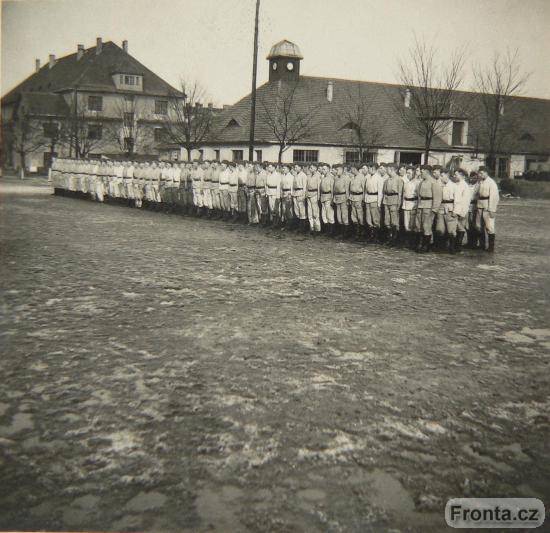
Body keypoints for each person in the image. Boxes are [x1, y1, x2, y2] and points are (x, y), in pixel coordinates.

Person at [415, 165, 443, 253]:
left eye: (422, 172)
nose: (420, 174)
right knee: (419, 226)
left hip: (429, 207)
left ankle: (426, 246)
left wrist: (434, 210)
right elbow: (419, 196)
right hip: (421, 206)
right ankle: (420, 244)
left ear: (427, 172)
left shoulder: (434, 182)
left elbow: (438, 197)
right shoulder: (421, 182)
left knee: (426, 226)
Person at [475, 166, 499, 252]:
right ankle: (482, 245)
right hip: (479, 205)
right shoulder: (479, 182)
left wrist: (492, 209)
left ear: (486, 173)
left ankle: (491, 247)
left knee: (489, 227)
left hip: (487, 206)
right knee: (479, 226)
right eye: (479, 173)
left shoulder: (491, 183)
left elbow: (494, 197)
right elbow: (476, 193)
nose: (480, 175)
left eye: (482, 173)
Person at [434, 168, 458, 253]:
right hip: (441, 208)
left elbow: (457, 200)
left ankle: (452, 247)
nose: (440, 178)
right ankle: (441, 247)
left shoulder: (454, 186)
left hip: (450, 208)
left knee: (451, 229)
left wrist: (455, 211)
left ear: (447, 175)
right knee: (440, 229)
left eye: (442, 176)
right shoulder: (439, 185)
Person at [382, 164, 404, 246]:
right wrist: (384, 201)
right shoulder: (387, 180)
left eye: (387, 169)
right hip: (387, 201)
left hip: (394, 201)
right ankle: (389, 237)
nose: (386, 171)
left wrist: (399, 203)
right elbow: (384, 192)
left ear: (392, 170)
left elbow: (400, 193)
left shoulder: (399, 180)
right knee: (387, 221)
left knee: (394, 221)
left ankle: (394, 239)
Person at [451, 168, 472, 253]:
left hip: (461, 211)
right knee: (456, 228)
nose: (454, 176)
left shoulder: (464, 186)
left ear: (462, 175)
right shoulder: (456, 184)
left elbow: (465, 201)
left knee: (460, 228)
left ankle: (458, 247)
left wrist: (461, 212)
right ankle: (455, 246)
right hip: (455, 209)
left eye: (456, 175)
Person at [364, 163, 384, 242]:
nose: (368, 170)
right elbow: (366, 190)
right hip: (368, 199)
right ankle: (371, 235)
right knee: (368, 218)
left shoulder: (379, 178)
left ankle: (376, 236)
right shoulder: (368, 177)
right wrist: (365, 199)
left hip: (375, 200)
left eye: (369, 168)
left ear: (373, 168)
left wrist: (379, 203)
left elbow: (380, 192)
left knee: (375, 218)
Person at [402, 165, 420, 247]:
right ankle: (407, 242)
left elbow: (419, 196)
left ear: (413, 173)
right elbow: (404, 195)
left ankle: (413, 242)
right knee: (406, 225)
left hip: (413, 204)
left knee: (412, 224)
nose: (408, 175)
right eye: (407, 173)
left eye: (409, 173)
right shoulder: (406, 183)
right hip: (406, 205)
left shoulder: (418, 183)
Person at [349, 164, 367, 239]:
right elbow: (350, 188)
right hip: (353, 197)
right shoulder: (353, 177)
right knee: (354, 216)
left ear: (355, 169)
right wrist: (350, 198)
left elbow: (364, 189)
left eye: (352, 169)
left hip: (359, 197)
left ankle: (362, 233)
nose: (351, 170)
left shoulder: (362, 177)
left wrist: (363, 199)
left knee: (360, 215)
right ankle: (356, 232)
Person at [306, 163, 322, 234]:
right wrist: (306, 194)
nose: (310, 169)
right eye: (310, 168)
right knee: (310, 212)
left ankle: (317, 229)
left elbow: (319, 187)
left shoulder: (318, 176)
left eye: (311, 168)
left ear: (315, 168)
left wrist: (318, 197)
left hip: (315, 194)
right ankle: (311, 227)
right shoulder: (309, 176)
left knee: (315, 212)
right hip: (309, 194)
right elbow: (307, 186)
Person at [292, 163, 308, 232]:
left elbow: (305, 186)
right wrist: (293, 193)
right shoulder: (295, 175)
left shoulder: (303, 175)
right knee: (297, 210)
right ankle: (299, 226)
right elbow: (293, 185)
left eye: (296, 167)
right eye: (294, 167)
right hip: (295, 193)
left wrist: (303, 195)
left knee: (302, 210)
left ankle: (303, 227)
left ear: (300, 167)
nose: (295, 168)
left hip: (301, 193)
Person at [320, 164, 335, 235]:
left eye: (324, 169)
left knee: (329, 214)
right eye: (322, 169)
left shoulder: (331, 178)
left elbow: (332, 190)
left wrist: (332, 199)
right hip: (323, 196)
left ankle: (331, 231)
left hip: (328, 196)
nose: (323, 170)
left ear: (328, 169)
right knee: (324, 214)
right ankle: (326, 230)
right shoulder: (323, 177)